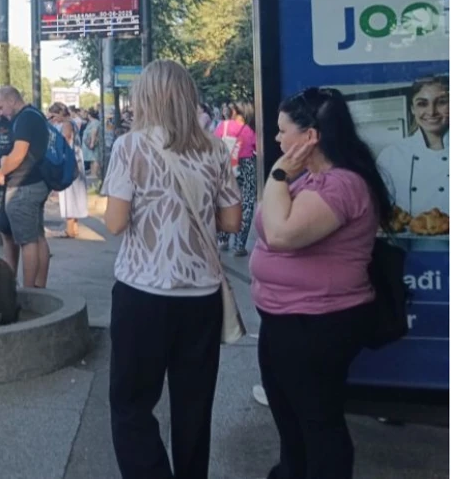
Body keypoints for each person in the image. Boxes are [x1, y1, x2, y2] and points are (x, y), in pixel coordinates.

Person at [102, 59, 242, 479]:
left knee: (131, 405)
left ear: (144, 98)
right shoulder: (215, 148)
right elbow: (233, 221)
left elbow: (114, 223)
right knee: (194, 407)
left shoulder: (130, 147)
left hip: (142, 294)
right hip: (200, 297)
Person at [252, 87, 390, 479]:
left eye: (283, 131)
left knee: (317, 421)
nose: (277, 139)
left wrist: (278, 174)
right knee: (289, 415)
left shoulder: (341, 184)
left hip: (318, 323)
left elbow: (281, 234)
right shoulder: (307, 180)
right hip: (285, 320)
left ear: (310, 136)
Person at [0, 86, 52, 288]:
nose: (0, 112)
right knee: (37, 237)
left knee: (27, 242)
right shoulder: (35, 114)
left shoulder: (25, 119)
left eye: (1, 107)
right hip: (37, 182)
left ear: (12, 100)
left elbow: (18, 155)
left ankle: (28, 292)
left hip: (23, 185)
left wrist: (2, 171)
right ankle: (39, 286)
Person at [376, 75, 449, 216]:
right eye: (422, 104)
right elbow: (381, 211)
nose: (432, 112)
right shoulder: (392, 155)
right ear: (413, 109)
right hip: (408, 238)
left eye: (441, 102)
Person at [216, 101, 258, 257]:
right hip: (246, 165)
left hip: (226, 165)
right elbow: (257, 148)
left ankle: (223, 239)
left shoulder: (222, 127)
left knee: (223, 198)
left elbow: (214, 144)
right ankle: (239, 245)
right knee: (246, 201)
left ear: (234, 111)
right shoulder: (248, 130)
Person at [47, 103, 88, 239]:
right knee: (75, 194)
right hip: (76, 159)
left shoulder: (66, 124)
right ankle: (73, 227)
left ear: (59, 113)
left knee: (69, 194)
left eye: (53, 115)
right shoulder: (72, 122)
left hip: (69, 161)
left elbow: (65, 139)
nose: (52, 119)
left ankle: (70, 229)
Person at [81, 108, 101, 175]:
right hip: (89, 144)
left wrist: (92, 143)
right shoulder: (91, 122)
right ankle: (93, 174)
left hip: (92, 144)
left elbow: (94, 132)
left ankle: (95, 174)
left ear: (89, 115)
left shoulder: (95, 122)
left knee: (95, 159)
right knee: (92, 159)